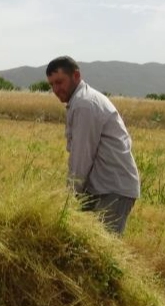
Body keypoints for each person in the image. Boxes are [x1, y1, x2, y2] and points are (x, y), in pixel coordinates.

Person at [46, 56, 140, 235]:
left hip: (113, 189)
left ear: (76, 76)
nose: (56, 89)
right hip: (100, 187)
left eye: (59, 82)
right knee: (80, 243)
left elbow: (82, 156)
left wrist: (69, 199)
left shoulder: (84, 104)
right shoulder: (81, 100)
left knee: (103, 252)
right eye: (52, 85)